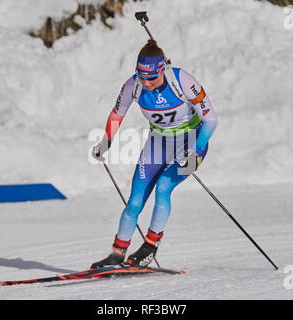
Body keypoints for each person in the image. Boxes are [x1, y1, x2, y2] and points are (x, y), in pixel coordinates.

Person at [91, 39, 218, 268]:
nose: (147, 84)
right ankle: (117, 254)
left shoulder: (182, 81)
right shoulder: (134, 85)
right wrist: (106, 141)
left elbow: (210, 119)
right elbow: (117, 113)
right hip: (158, 143)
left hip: (190, 143)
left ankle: (150, 247)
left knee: (163, 189)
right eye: (142, 78)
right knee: (134, 201)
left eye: (152, 78)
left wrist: (194, 151)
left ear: (162, 70)